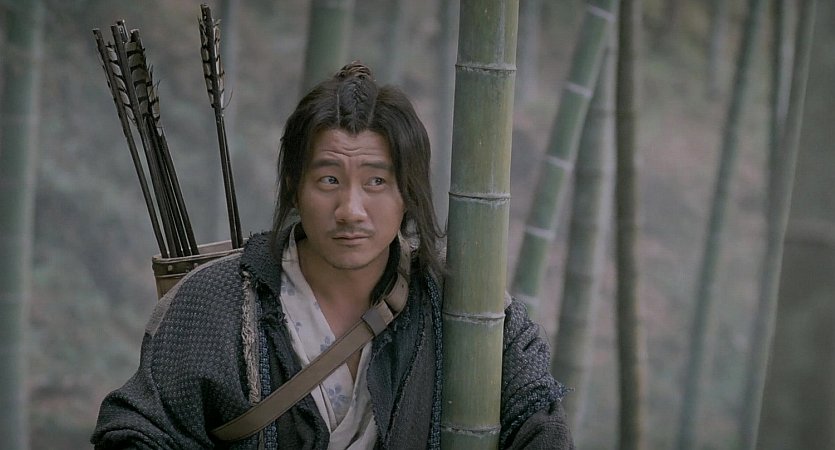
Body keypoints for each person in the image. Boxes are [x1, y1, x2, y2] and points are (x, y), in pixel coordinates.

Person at [91, 62, 574, 449]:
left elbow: (538, 420)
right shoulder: (212, 303)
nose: (351, 210)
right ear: (294, 187)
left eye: (376, 181)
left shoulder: (467, 307)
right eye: (329, 180)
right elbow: (135, 431)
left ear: (408, 193)